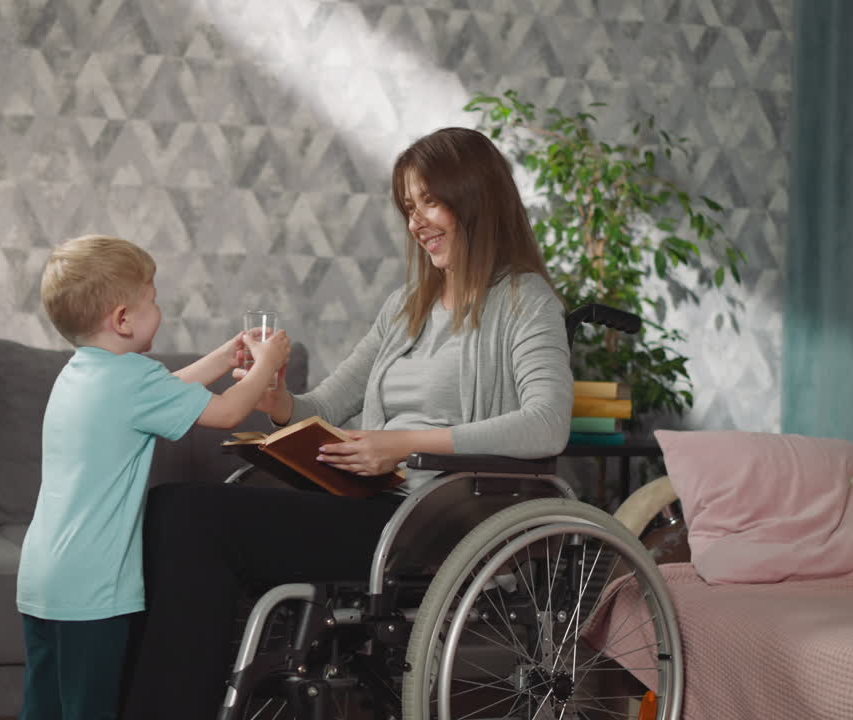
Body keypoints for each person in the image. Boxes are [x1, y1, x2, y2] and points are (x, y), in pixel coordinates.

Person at [121, 127, 574, 720]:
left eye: (429, 202)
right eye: (408, 207)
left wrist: (400, 444)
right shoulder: (406, 307)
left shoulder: (526, 302)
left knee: (190, 516)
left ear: (475, 197)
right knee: (170, 507)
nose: (415, 222)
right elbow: (326, 406)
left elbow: (547, 424)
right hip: (373, 503)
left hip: (434, 521)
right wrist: (278, 400)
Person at [16, 234, 290, 720]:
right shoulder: (132, 380)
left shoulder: (82, 372)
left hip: (43, 578)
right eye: (153, 301)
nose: (159, 310)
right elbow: (228, 413)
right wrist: (265, 364)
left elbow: (164, 393)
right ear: (123, 319)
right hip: (93, 589)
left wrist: (225, 358)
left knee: (44, 708)